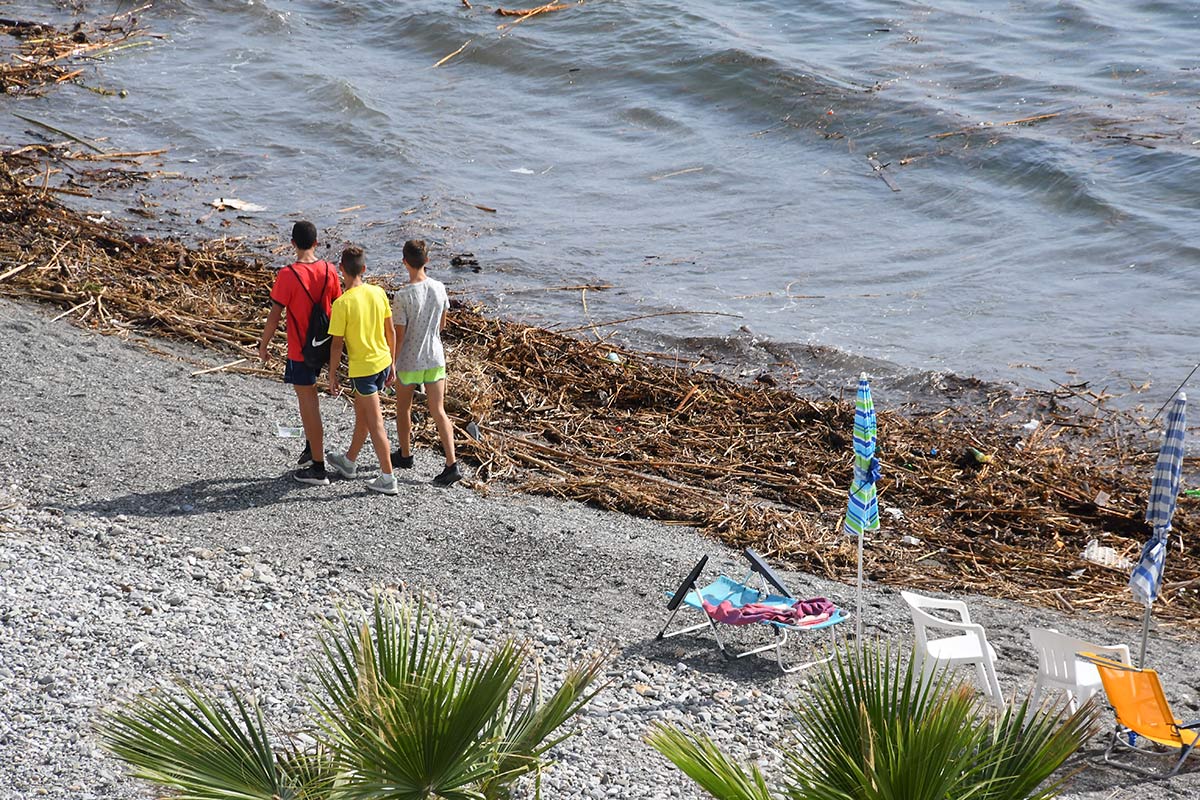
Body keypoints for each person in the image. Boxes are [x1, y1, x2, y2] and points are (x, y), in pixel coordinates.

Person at [257, 220, 341, 485]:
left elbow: (274, 316)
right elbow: (339, 307)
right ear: (316, 242)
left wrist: (264, 344)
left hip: (300, 349)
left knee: (309, 403)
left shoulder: (287, 275)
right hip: (324, 345)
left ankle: (318, 467)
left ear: (292, 244)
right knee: (309, 403)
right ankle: (310, 447)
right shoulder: (329, 270)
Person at [324, 246, 399, 495]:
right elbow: (391, 332)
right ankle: (349, 462)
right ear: (364, 269)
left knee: (375, 421)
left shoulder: (342, 303)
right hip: (382, 362)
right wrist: (393, 362)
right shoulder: (378, 293)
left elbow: (337, 345)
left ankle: (388, 477)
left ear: (341, 270)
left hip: (363, 369)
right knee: (363, 416)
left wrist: (332, 375)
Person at [391, 239, 461, 486]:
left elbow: (399, 336)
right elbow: (442, 325)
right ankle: (451, 463)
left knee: (403, 408)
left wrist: (392, 363)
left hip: (410, 359)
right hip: (434, 356)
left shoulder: (402, 296)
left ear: (404, 262)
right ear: (427, 261)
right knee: (438, 410)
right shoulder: (440, 287)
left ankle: (405, 454)